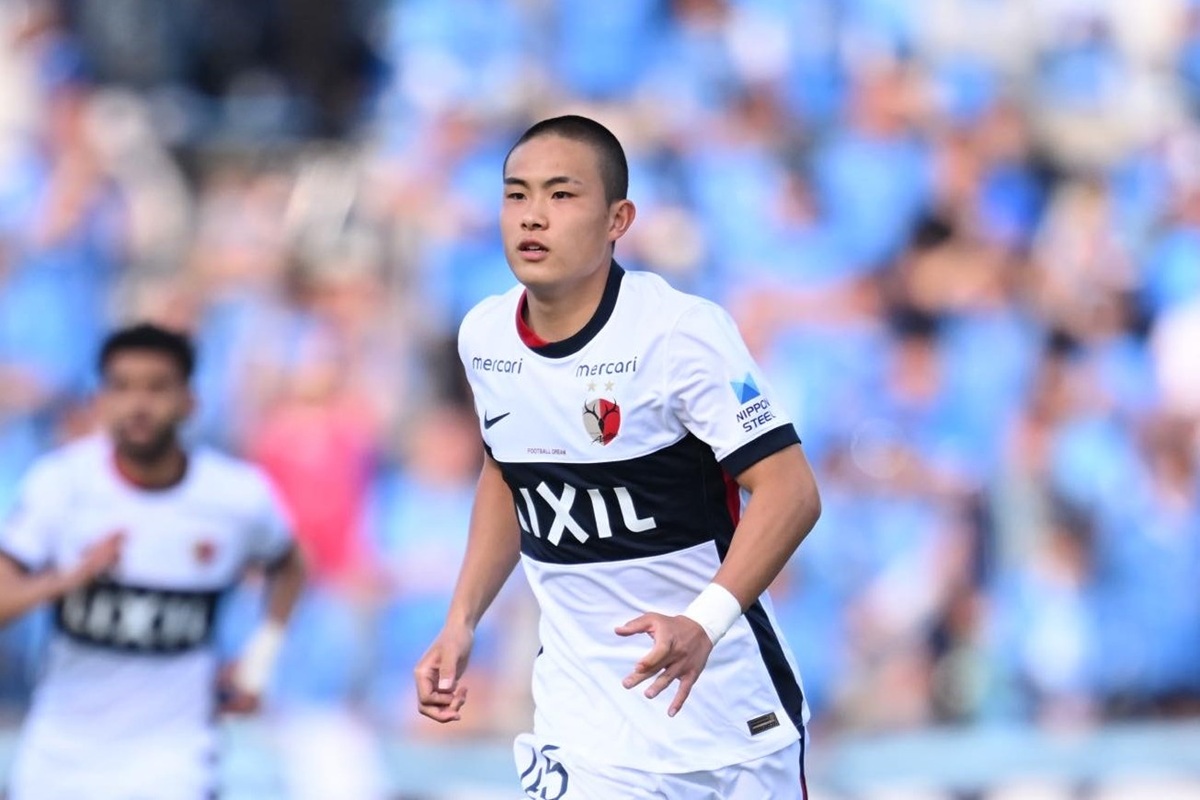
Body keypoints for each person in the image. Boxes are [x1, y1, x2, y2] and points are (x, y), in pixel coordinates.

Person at [414, 115, 822, 798]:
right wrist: (461, 621)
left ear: (617, 219)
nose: (533, 215)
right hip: (585, 733)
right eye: (516, 195)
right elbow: (507, 473)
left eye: (561, 194)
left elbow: (792, 490)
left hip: (727, 726)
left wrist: (702, 624)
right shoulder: (484, 336)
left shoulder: (678, 334)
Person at [0, 323, 307, 800]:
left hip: (172, 761)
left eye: (157, 388)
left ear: (190, 401)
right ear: (100, 401)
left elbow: (289, 564)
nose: (138, 405)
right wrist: (69, 579)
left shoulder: (236, 496)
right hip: (59, 758)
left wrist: (259, 661)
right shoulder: (61, 484)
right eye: (121, 387)